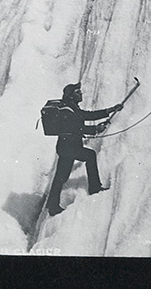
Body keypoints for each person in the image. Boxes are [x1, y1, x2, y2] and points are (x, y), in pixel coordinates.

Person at [46, 82, 123, 216]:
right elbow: (76, 128)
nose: (81, 94)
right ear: (71, 96)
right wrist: (95, 129)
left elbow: (88, 115)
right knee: (89, 156)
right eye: (78, 92)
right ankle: (94, 187)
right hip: (69, 147)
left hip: (67, 147)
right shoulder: (67, 110)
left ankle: (53, 206)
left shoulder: (71, 107)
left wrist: (110, 110)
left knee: (61, 176)